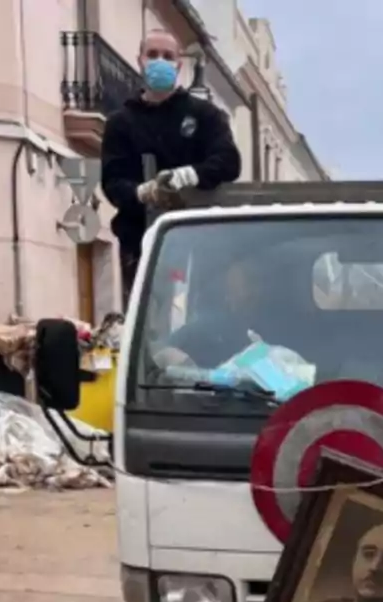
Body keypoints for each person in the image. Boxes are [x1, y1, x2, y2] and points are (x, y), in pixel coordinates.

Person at [100, 29, 242, 301]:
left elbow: (229, 162)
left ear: (179, 64)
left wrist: (188, 176)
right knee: (147, 319)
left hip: (199, 238)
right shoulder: (121, 122)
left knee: (204, 314)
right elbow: (113, 182)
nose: (160, 61)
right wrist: (144, 192)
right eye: (152, 55)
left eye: (168, 56)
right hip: (141, 240)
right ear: (140, 60)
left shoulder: (204, 114)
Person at [151, 260, 261, 370]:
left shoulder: (266, 344)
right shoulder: (198, 334)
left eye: (257, 284)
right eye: (249, 284)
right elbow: (159, 359)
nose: (254, 293)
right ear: (227, 294)